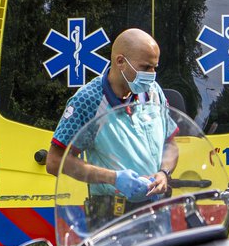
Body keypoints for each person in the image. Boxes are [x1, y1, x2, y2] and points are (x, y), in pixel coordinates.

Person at [44, 28, 177, 229]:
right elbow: (54, 161)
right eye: (145, 67)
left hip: (158, 213)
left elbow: (171, 144)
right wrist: (114, 179)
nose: (152, 75)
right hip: (112, 217)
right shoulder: (89, 100)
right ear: (120, 61)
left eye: (154, 67)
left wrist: (163, 173)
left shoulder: (153, 92)